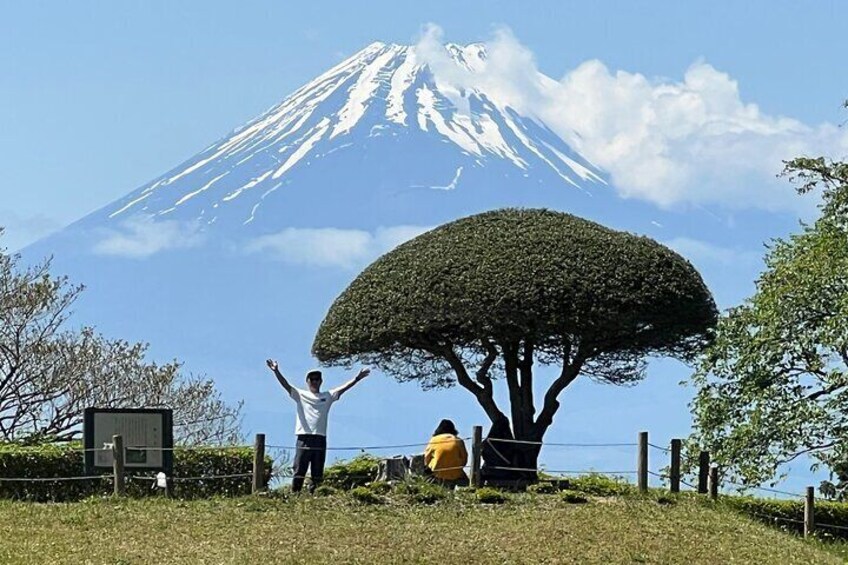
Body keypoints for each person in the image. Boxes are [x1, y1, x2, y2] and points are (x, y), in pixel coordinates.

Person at [266, 359, 369, 493]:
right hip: (304, 437)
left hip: (320, 437)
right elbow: (286, 385)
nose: (314, 381)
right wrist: (276, 371)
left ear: (321, 381)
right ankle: (295, 494)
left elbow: (344, 388)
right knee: (299, 468)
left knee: (317, 469)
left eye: (317, 379)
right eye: (312, 379)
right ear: (307, 382)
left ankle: (315, 494)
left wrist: (357, 378)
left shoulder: (328, 396)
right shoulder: (300, 394)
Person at [424, 419, 468, 487]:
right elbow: (464, 459)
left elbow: (427, 457)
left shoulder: (434, 439)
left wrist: (428, 468)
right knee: (468, 483)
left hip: (438, 473)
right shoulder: (458, 440)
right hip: (455, 474)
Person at [481, 417, 523, 483]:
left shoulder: (486, 442)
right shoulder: (508, 443)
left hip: (489, 472)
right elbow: (514, 458)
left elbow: (483, 455)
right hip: (506, 473)